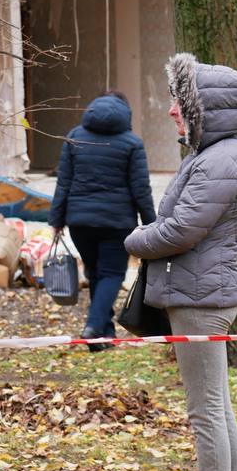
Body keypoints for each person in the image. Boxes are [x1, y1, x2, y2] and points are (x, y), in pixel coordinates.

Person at [123, 53, 237, 471]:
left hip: (202, 298)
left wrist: (134, 239)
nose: (171, 109)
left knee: (206, 413)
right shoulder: (214, 156)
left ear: (205, 108)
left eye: (180, 101)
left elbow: (180, 229)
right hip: (202, 293)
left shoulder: (221, 160)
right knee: (217, 407)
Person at [49, 90, 156, 351]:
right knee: (111, 274)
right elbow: (140, 188)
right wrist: (151, 223)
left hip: (79, 222)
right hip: (116, 222)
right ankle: (94, 326)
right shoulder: (132, 142)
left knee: (96, 273)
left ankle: (102, 336)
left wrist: (57, 219)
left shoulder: (74, 136)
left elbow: (64, 181)